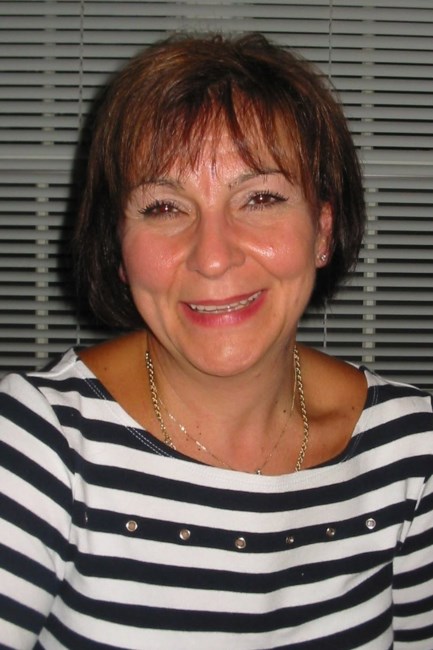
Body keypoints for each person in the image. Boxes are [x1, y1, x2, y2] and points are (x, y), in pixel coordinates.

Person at [0, 32, 432, 650]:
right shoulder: (38, 443)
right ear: (118, 249)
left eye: (260, 198)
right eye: (164, 208)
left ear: (322, 229)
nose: (212, 256)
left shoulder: (411, 453)